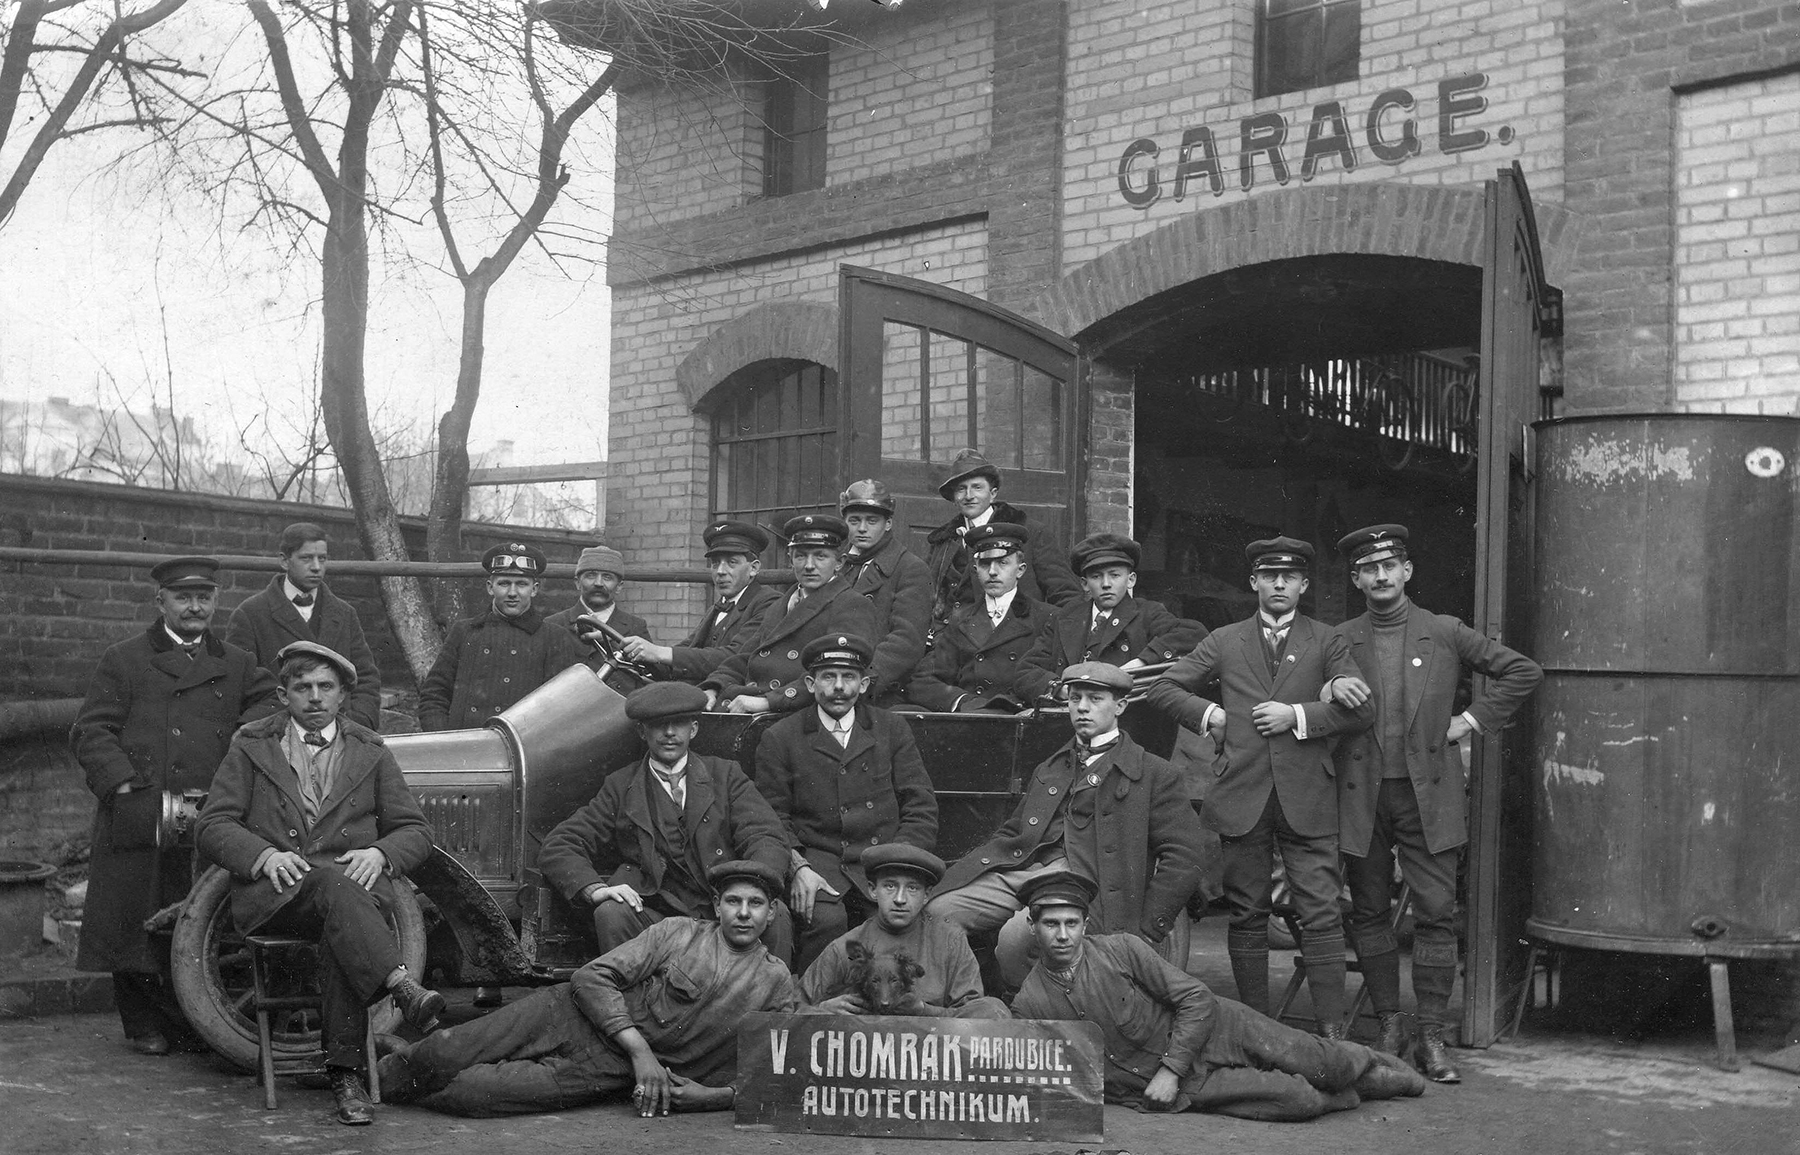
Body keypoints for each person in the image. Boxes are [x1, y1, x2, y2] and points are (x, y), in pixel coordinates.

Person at [1323, 524, 1544, 1082]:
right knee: (1369, 912)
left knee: (1435, 917)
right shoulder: (1339, 637)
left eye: (1389, 565)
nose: (1380, 576)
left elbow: (1523, 670)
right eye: (1368, 568)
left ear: (1407, 571)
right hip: (1361, 795)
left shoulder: (1444, 632)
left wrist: (1468, 722)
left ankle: (1432, 1038)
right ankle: (1390, 1026)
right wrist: (1326, 691)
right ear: (1356, 579)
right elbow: (1305, 690)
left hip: (1430, 796)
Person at [195, 640, 445, 1126]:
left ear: (342, 696)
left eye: (325, 687)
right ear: (284, 693)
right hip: (276, 897)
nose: (314, 697)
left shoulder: (371, 750)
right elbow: (212, 825)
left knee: (339, 914)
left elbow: (417, 831)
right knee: (334, 891)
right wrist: (263, 854)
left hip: (347, 902)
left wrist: (380, 852)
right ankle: (398, 984)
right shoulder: (251, 743)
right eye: (302, 686)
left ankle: (346, 1080)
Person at [1144, 537, 1373, 1036]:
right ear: (1254, 583)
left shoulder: (1328, 640)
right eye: (1269, 576)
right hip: (1242, 795)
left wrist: (1299, 714)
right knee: (1248, 914)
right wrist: (1211, 715)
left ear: (1304, 585)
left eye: (1289, 577)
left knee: (1321, 911)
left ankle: (1332, 1030)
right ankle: (1254, 1027)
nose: (1279, 584)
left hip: (1308, 796)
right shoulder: (1225, 640)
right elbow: (1162, 687)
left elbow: (1364, 711)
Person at [375, 861, 802, 1118]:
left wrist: (714, 1097)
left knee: (473, 1095)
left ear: (771, 913)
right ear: (716, 905)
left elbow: (779, 1071)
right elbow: (591, 977)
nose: (743, 913)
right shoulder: (678, 933)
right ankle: (369, 1076)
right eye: (733, 901)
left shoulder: (776, 982)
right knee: (443, 1051)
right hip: (568, 1014)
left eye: (755, 904)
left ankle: (393, 1071)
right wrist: (642, 1052)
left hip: (605, 1072)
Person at [1010, 869, 1425, 1121]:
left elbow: (1197, 998)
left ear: (1085, 923)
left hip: (1218, 1030)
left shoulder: (1121, 949)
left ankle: (1370, 1064)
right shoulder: (1029, 1003)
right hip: (1178, 1086)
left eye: (1071, 922)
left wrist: (1170, 1070)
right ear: (1033, 927)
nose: (1062, 935)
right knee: (1299, 1102)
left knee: (1323, 1065)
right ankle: (1356, 1091)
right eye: (1051, 924)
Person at [72, 556, 279, 1057]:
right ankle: (143, 1022)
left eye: (204, 597)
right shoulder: (124, 659)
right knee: (135, 916)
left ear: (214, 602)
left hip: (212, 808)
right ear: (160, 601)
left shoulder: (238, 662)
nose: (194, 606)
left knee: (200, 914)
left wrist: (238, 756)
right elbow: (91, 729)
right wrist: (122, 784)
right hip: (144, 808)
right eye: (183, 597)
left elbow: (270, 706)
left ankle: (200, 1021)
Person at [926, 662, 1204, 989]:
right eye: (1075, 699)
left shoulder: (1154, 773)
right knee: (939, 911)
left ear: (1120, 706)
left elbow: (1186, 858)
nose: (1082, 708)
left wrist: (1149, 927)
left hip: (1086, 881)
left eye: (1095, 699)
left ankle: (1036, 1010)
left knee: (1015, 943)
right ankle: (968, 1001)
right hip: (1027, 868)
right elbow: (1015, 830)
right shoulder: (1053, 765)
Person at [538, 681, 794, 962]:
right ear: (641, 731)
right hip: (657, 914)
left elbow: (765, 835)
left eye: (679, 724)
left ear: (694, 729)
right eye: (659, 725)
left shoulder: (726, 775)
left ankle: (764, 1002)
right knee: (612, 911)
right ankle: (632, 1003)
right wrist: (596, 890)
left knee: (776, 913)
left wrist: (749, 888)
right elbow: (560, 844)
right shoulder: (621, 785)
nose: (670, 733)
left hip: (724, 909)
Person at [751, 633, 938, 973]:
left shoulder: (891, 729)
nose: (839, 687)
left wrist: (899, 866)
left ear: (864, 683)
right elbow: (771, 818)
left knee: (892, 925)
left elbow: (920, 806)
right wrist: (798, 868)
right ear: (810, 682)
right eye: (828, 677)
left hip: (883, 859)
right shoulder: (781, 737)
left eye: (849, 677)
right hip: (819, 860)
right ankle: (815, 1010)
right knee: (823, 918)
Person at [801, 843, 1008, 1019]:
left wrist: (925, 1011)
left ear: (926, 895)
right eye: (890, 886)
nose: (900, 899)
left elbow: (978, 1015)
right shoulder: (847, 947)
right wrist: (822, 1010)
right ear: (873, 890)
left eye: (912, 888)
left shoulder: (949, 941)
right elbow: (791, 1009)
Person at [701, 513, 880, 714]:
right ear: (790, 559)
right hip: (757, 702)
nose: (809, 566)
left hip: (802, 711)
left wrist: (769, 701)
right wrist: (714, 685)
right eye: (801, 556)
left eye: (820, 556)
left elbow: (838, 676)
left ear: (839, 562)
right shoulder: (782, 604)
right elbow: (747, 655)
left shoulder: (852, 605)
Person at [225, 521, 382, 729]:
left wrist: (357, 723)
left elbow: (365, 678)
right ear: (284, 561)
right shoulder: (251, 614)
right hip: (277, 734)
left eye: (322, 559)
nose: (316, 567)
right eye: (306, 558)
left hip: (339, 733)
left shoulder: (344, 614)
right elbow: (238, 685)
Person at [1014, 532, 1205, 703]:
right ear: (1084, 584)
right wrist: (1062, 690)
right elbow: (1026, 671)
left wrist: (1140, 663)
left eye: (1114, 575)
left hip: (1126, 718)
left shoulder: (1147, 613)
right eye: (1096, 577)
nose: (1106, 584)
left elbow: (1193, 634)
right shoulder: (1064, 618)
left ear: (1131, 580)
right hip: (1067, 716)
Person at [417, 543, 588, 732]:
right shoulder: (465, 632)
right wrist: (443, 738)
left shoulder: (553, 637)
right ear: (490, 587)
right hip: (464, 746)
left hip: (522, 749)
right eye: (504, 583)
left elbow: (560, 705)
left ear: (534, 589)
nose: (512, 593)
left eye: (522, 584)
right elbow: (434, 695)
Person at [904, 522, 1053, 713]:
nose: (992, 571)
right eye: (985, 563)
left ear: (1021, 569)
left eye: (1002, 563)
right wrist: (964, 701)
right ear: (975, 569)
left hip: (1019, 718)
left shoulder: (1045, 617)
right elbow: (923, 680)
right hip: (973, 719)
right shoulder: (961, 620)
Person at [924, 448, 1081, 623]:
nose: (969, 496)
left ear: (993, 494)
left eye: (977, 487)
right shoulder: (943, 541)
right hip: (950, 641)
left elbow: (1066, 596)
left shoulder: (1031, 533)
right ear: (954, 497)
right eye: (961, 489)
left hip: (1012, 640)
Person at [618, 519, 782, 682]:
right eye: (715, 563)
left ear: (753, 568)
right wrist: (641, 654)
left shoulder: (768, 603)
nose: (720, 571)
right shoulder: (717, 608)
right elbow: (688, 647)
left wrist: (659, 652)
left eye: (732, 562)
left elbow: (736, 656)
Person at [836, 479, 933, 699]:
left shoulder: (910, 568)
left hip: (876, 689)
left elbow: (906, 642)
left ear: (888, 523)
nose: (862, 528)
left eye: (872, 521)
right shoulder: (836, 564)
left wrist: (862, 680)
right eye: (854, 520)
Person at [545, 544, 653, 646]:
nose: (598, 583)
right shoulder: (553, 624)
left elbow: (654, 665)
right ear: (578, 583)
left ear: (619, 586)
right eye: (591, 576)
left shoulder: (635, 626)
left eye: (607, 577)